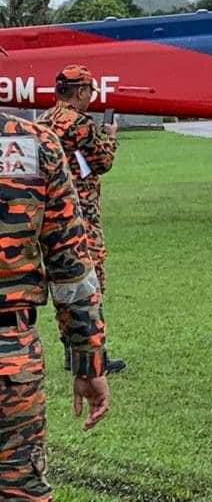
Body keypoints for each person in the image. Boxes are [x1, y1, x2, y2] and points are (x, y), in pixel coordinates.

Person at [0, 111, 109, 501]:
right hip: (10, 363)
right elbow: (71, 268)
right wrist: (88, 359)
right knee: (18, 491)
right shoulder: (37, 144)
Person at [37, 65, 125, 375]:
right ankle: (92, 355)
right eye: (90, 92)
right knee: (91, 282)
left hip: (49, 214)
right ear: (81, 91)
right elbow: (102, 163)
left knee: (63, 281)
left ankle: (69, 349)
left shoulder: (42, 122)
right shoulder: (81, 124)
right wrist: (111, 138)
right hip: (81, 214)